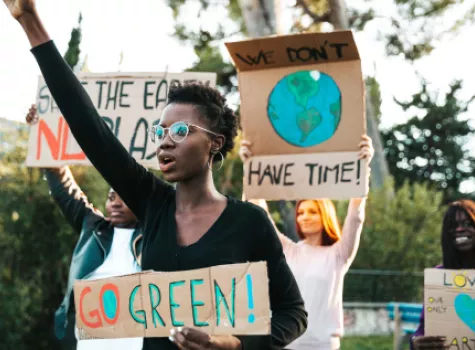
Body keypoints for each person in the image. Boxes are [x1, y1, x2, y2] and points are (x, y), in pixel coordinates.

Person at [5, 1, 308, 349]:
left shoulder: (250, 222)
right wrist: (30, 21)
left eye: (180, 130)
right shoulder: (152, 204)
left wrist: (232, 344)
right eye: (159, 131)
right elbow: (89, 126)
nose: (165, 141)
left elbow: (293, 313)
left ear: (214, 143)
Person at [26, 105, 144, 350]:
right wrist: (43, 135)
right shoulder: (92, 226)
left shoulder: (157, 233)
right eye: (111, 195)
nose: (115, 201)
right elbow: (64, 188)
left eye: (123, 195)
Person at [239, 135, 374, 350]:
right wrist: (250, 167)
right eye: (301, 212)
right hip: (285, 344)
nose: (305, 216)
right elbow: (259, 215)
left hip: (322, 345)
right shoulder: (288, 250)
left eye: (312, 211)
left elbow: (356, 216)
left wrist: (363, 167)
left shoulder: (339, 254)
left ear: (325, 216)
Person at [411, 199, 475, 350]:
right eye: (453, 226)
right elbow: (423, 328)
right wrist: (415, 342)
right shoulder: (439, 278)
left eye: (467, 224)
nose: (459, 229)